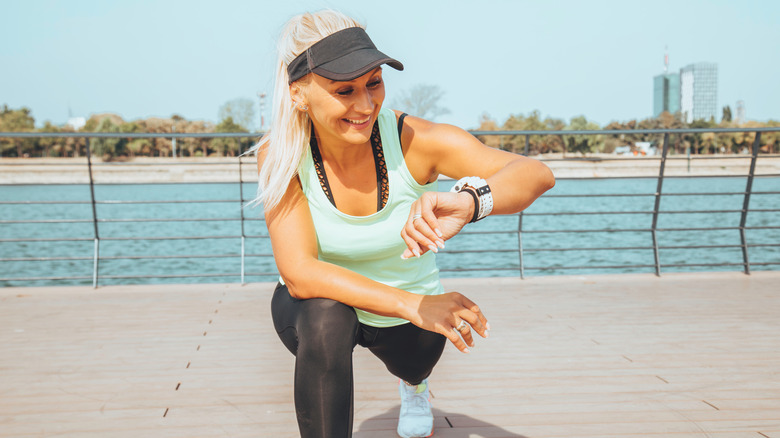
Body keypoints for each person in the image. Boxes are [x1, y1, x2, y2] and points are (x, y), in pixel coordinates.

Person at [251, 10, 555, 438]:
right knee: (325, 316)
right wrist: (412, 305)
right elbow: (300, 273)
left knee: (415, 362)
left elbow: (535, 173)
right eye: (344, 90)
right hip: (329, 308)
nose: (366, 104)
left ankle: (414, 386)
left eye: (374, 82)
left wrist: (470, 202)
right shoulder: (281, 155)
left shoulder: (415, 140)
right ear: (299, 94)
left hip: (409, 312)